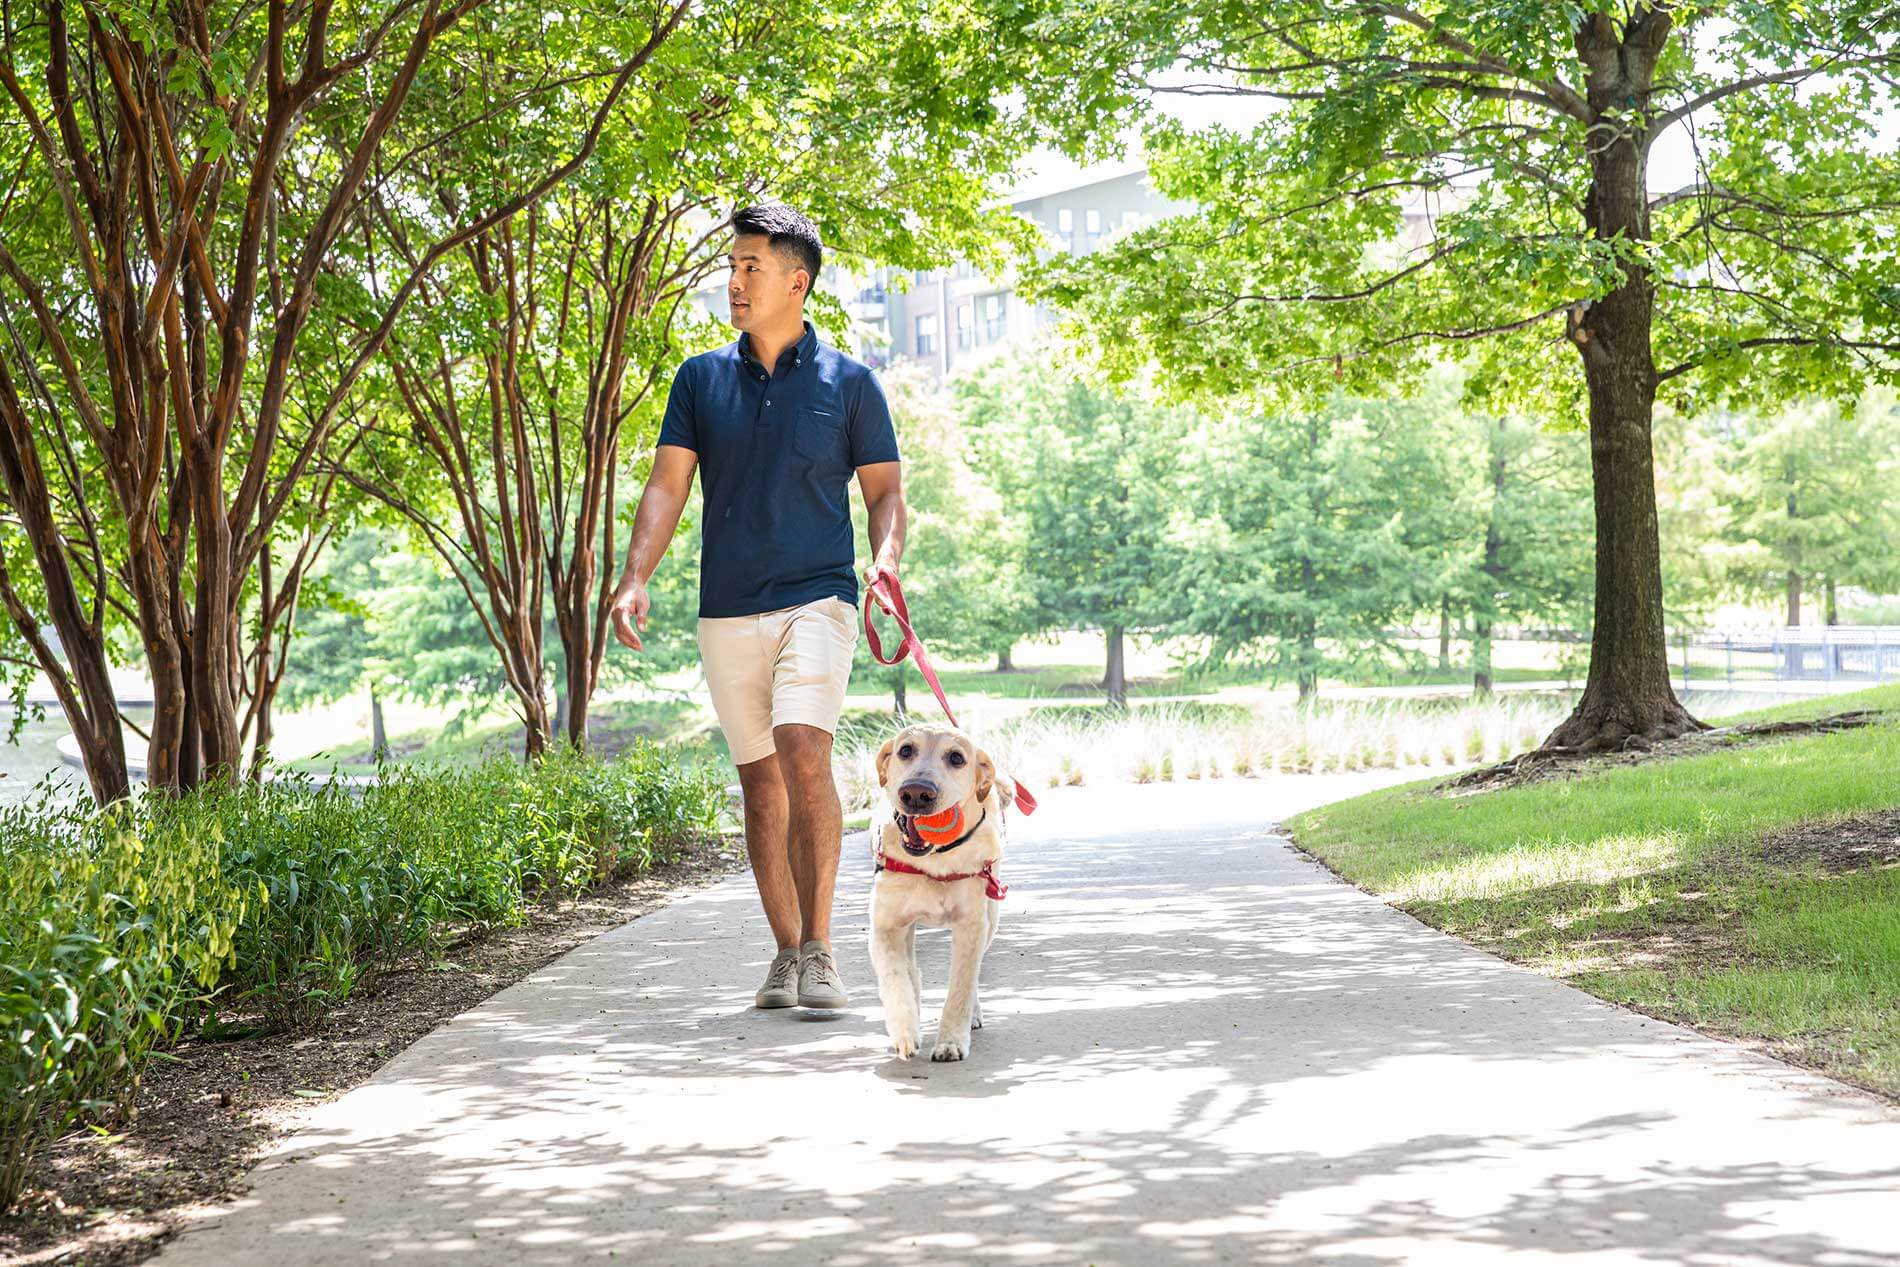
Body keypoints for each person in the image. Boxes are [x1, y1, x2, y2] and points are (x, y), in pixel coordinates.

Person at [610, 203, 906, 1011]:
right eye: (731, 267)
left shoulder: (851, 383)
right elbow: (667, 484)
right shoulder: (699, 380)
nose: (734, 282)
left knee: (801, 745)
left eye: (751, 268)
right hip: (726, 608)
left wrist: (884, 565)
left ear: (796, 281)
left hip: (820, 596)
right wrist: (635, 575)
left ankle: (823, 950)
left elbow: (884, 494)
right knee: (760, 783)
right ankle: (785, 954)